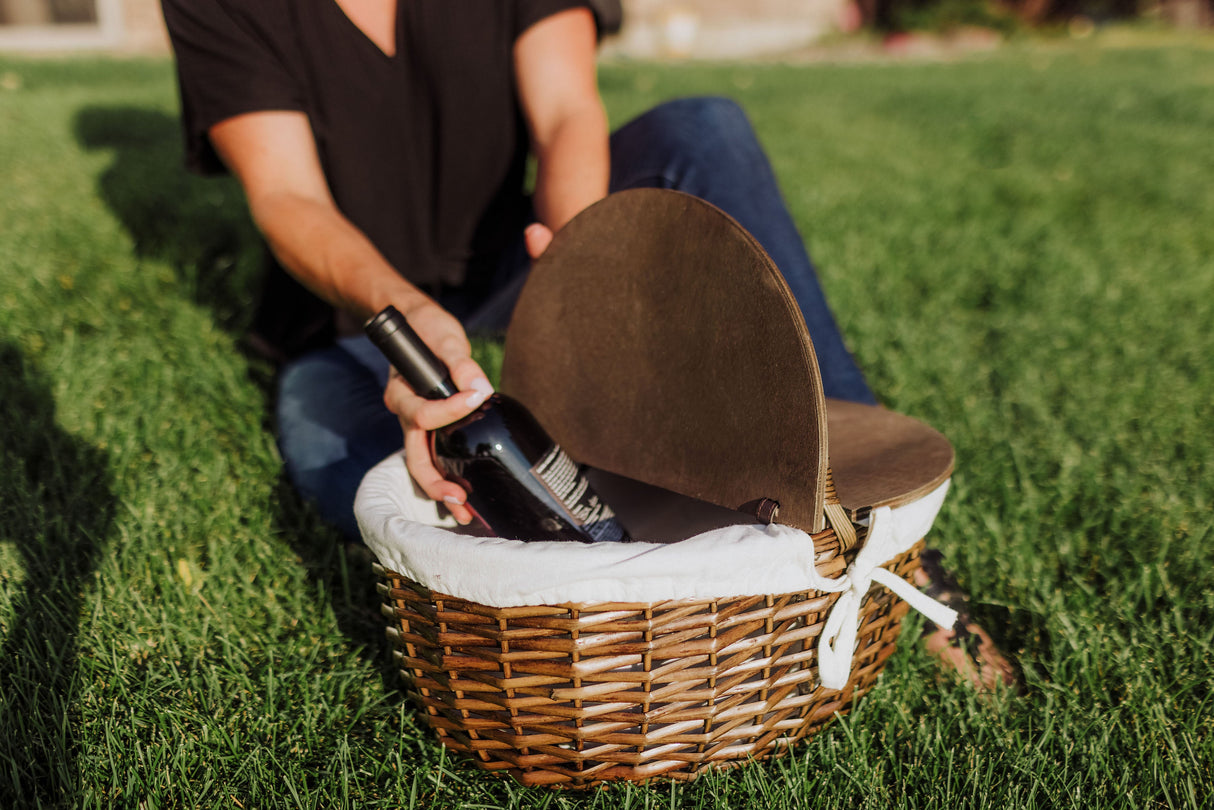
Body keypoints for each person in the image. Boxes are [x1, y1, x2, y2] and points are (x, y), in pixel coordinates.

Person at [161, 0, 1015, 691]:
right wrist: (410, 320)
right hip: (366, 325)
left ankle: (876, 533)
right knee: (355, 487)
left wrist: (581, 275)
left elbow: (569, 111)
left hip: (520, 266)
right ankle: (628, 603)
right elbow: (285, 199)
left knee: (701, 129)